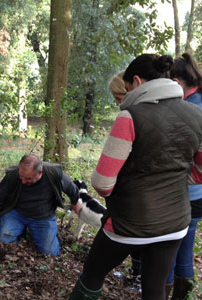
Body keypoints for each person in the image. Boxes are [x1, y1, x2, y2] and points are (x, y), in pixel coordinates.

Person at [68, 54, 202, 300]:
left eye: (126, 88)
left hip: (130, 222)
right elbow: (200, 171)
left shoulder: (129, 117)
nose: (125, 96)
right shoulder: (197, 114)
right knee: (154, 287)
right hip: (175, 222)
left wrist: (122, 194)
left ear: (137, 82)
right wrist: (177, 182)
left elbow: (102, 182)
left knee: (93, 273)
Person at [0, 154, 80, 256]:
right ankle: (21, 232)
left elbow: (72, 189)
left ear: (40, 173)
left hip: (43, 217)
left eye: (28, 179)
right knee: (3, 241)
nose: (23, 181)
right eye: (21, 177)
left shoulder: (53, 173)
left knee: (50, 253)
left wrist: (75, 202)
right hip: (17, 214)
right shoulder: (13, 174)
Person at [165, 52, 202, 299]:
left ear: (177, 82)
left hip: (185, 190)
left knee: (165, 247)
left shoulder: (190, 107)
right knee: (185, 247)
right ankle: (183, 295)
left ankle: (161, 293)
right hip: (197, 194)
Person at [108, 71, 143, 279]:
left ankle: (138, 274)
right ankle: (136, 272)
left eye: (119, 98)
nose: (116, 104)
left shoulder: (131, 118)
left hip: (133, 194)